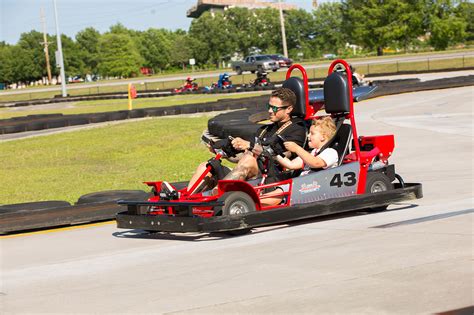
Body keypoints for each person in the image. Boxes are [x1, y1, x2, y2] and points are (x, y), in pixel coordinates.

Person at [186, 87, 307, 194]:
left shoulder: (297, 129)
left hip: (272, 178)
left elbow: (276, 153)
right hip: (250, 175)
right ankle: (187, 199)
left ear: (289, 109)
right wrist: (221, 147)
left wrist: (249, 146)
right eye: (269, 106)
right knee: (207, 166)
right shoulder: (265, 129)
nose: (270, 111)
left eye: (275, 108)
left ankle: (218, 196)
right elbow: (244, 149)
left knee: (248, 159)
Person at [261, 116, 338, 206]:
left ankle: (255, 204)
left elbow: (315, 163)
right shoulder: (311, 153)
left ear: (323, 137)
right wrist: (273, 153)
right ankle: (257, 201)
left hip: (316, 186)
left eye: (312, 133)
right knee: (282, 188)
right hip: (304, 186)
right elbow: (291, 165)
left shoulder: (330, 152)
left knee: (283, 190)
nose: (308, 136)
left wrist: (297, 149)